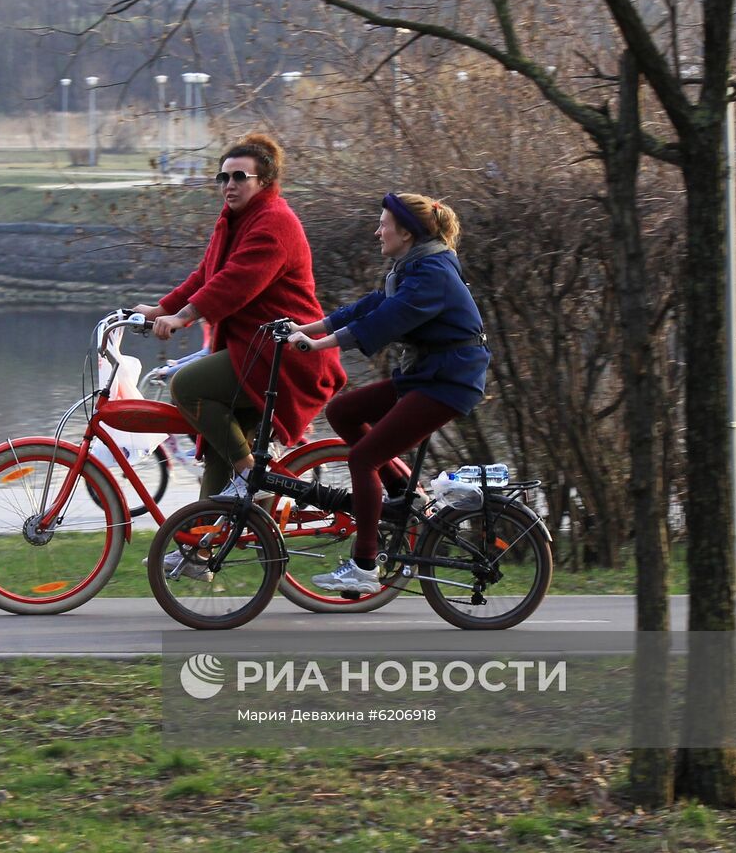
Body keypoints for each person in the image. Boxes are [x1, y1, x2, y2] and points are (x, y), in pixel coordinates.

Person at [285, 193, 490, 594]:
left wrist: (319, 346)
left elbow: (387, 319)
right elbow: (372, 304)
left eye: (384, 224)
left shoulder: (432, 273)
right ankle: (403, 495)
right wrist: (310, 328)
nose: (378, 230)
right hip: (429, 375)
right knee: (344, 411)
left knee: (364, 458)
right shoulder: (415, 265)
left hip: (449, 381)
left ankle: (364, 565)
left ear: (408, 232)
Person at [134, 132, 346, 505]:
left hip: (284, 356)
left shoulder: (274, 222)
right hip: (255, 352)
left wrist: (183, 318)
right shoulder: (234, 221)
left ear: (264, 181)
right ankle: (201, 552)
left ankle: (252, 475)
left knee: (187, 386)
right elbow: (206, 276)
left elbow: (236, 283)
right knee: (221, 450)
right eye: (223, 177)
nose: (228, 185)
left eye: (239, 177)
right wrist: (159, 310)